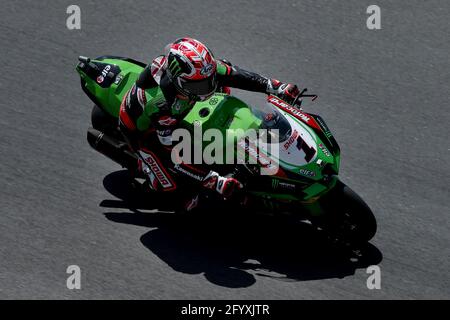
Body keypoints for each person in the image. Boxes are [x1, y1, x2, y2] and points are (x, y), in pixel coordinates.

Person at [118, 37, 301, 208]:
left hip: (180, 111)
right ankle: (148, 174)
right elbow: (173, 156)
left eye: (209, 80)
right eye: (199, 85)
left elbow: (238, 75)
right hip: (143, 129)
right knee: (177, 192)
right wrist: (215, 181)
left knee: (225, 75)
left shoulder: (202, 71)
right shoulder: (163, 105)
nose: (207, 88)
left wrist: (275, 86)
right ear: (178, 81)